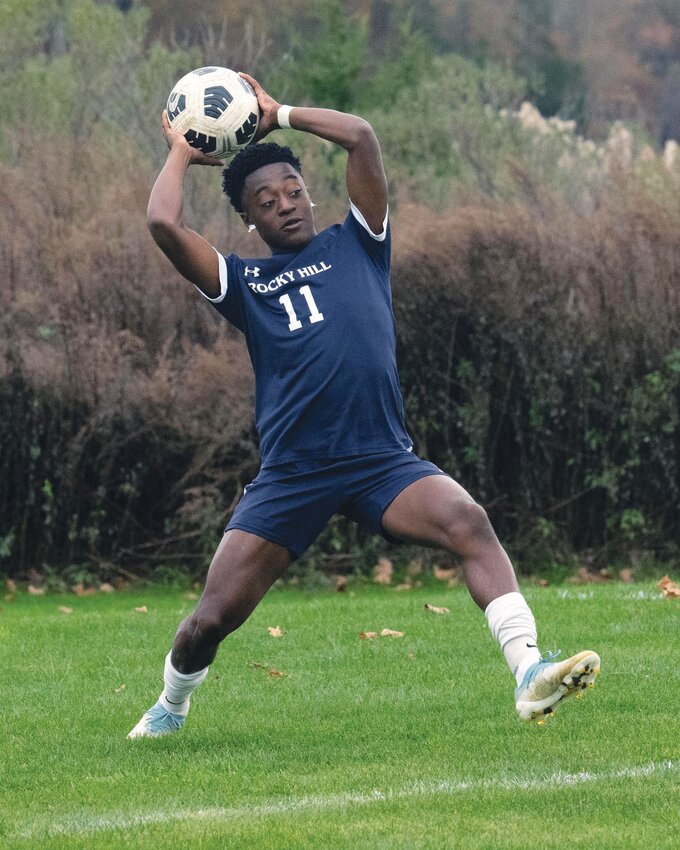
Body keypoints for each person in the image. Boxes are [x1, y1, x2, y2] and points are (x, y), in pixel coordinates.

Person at [128, 73, 600, 738]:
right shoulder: (243, 280)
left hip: (381, 461)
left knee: (468, 520)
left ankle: (529, 672)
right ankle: (170, 706)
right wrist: (182, 149)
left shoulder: (360, 242)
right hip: (294, 475)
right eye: (267, 200)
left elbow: (361, 137)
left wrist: (280, 113)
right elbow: (161, 222)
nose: (286, 204)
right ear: (249, 217)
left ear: (309, 193)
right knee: (210, 619)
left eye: (294, 191)